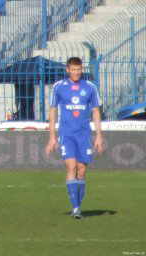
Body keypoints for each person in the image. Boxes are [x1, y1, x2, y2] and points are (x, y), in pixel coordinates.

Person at [45, 57, 103, 219]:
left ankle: (78, 204)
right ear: (67, 70)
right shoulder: (59, 87)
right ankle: (75, 208)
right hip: (66, 134)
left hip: (84, 135)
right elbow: (52, 111)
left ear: (81, 70)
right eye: (73, 69)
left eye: (79, 69)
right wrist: (52, 137)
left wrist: (99, 136)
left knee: (82, 169)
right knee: (71, 167)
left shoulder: (90, 88)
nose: (76, 72)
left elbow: (96, 112)